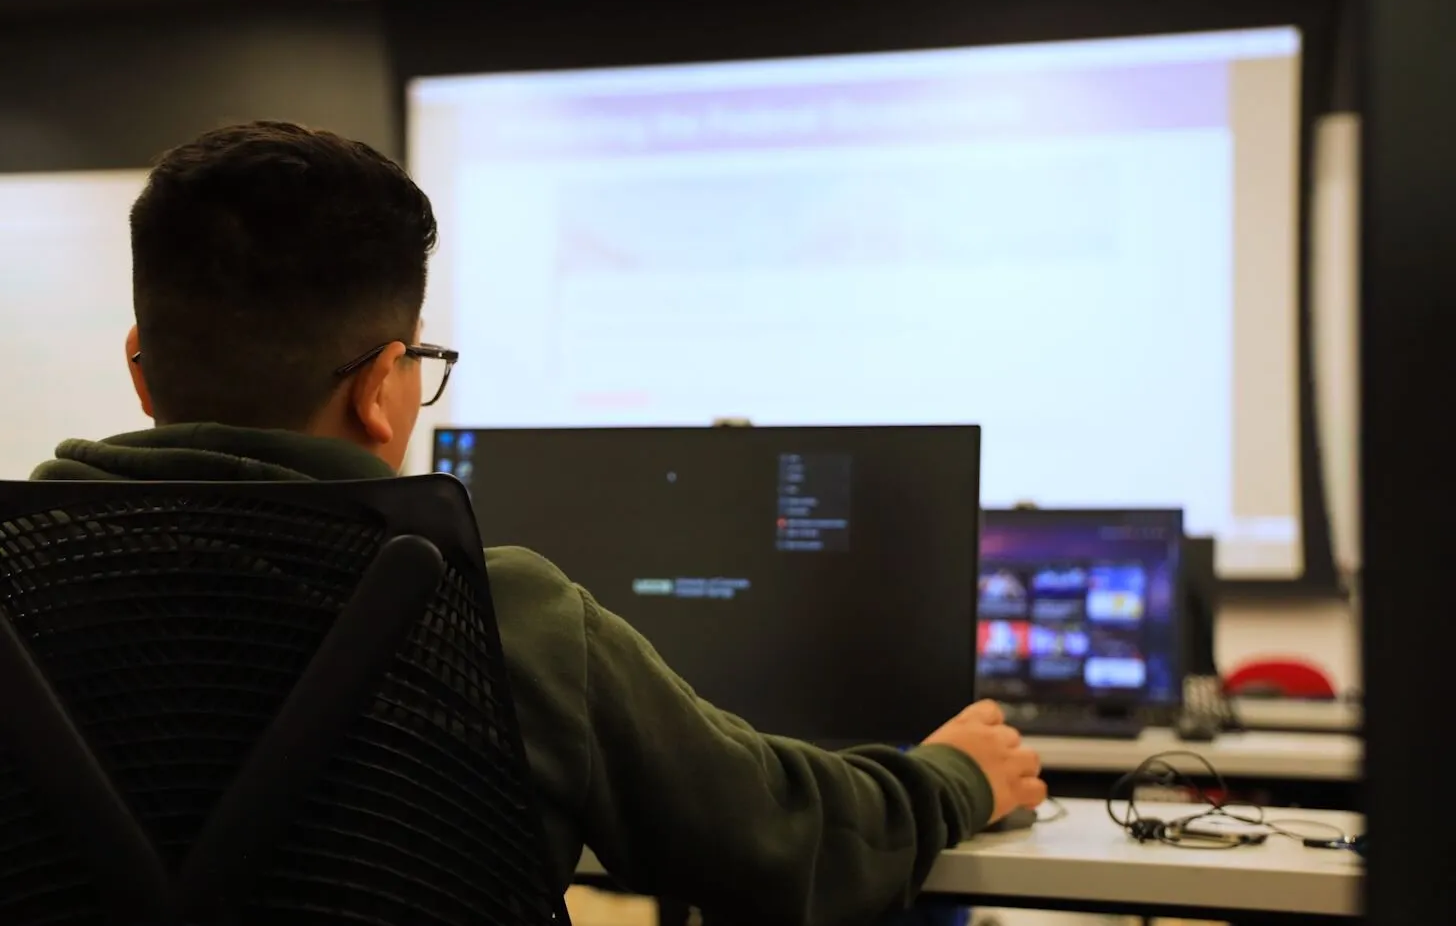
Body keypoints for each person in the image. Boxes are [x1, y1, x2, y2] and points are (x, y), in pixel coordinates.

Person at [31, 121, 1046, 924]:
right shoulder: (497, 611)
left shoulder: (17, 582)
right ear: (384, 387)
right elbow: (781, 842)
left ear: (140, 369)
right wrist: (950, 777)